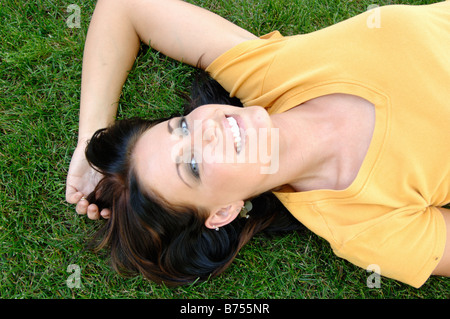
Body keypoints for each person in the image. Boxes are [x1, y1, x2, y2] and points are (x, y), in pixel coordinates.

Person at [65, 0, 450, 288]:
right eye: (194, 166)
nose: (208, 130)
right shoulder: (364, 227)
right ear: (223, 213)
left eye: (182, 127)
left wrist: (88, 143)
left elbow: (125, 7)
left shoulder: (267, 74)